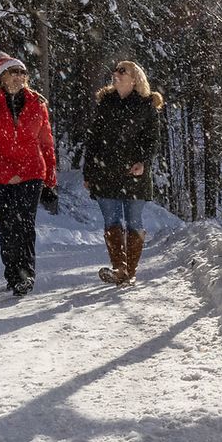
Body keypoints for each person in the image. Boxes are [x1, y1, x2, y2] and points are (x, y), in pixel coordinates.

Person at [0, 52, 58, 296]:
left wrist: (51, 178)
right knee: (7, 224)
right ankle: (12, 273)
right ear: (1, 77)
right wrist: (8, 172)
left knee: (25, 224)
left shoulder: (37, 104)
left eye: (22, 72)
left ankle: (25, 275)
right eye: (14, 72)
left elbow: (46, 143)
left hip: (31, 173)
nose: (19, 76)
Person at [82, 59, 163, 284]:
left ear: (135, 78)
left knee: (134, 221)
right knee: (112, 221)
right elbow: (93, 139)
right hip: (105, 172)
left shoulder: (147, 105)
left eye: (122, 71)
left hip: (134, 173)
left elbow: (153, 140)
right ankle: (119, 269)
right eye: (115, 70)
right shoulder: (105, 103)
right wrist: (88, 172)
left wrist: (143, 162)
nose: (116, 74)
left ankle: (130, 271)